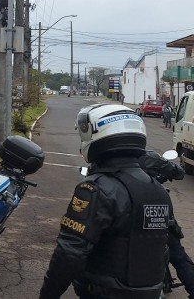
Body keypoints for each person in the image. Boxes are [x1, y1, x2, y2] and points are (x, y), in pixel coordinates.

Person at [39, 104, 172, 299]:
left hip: (106, 292)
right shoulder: (157, 189)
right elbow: (165, 247)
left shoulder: (95, 189)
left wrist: (47, 295)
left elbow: (69, 253)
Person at [139, 149, 194, 297]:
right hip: (155, 212)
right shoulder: (149, 156)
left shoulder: (104, 156)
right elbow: (178, 172)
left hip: (124, 216)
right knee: (177, 254)